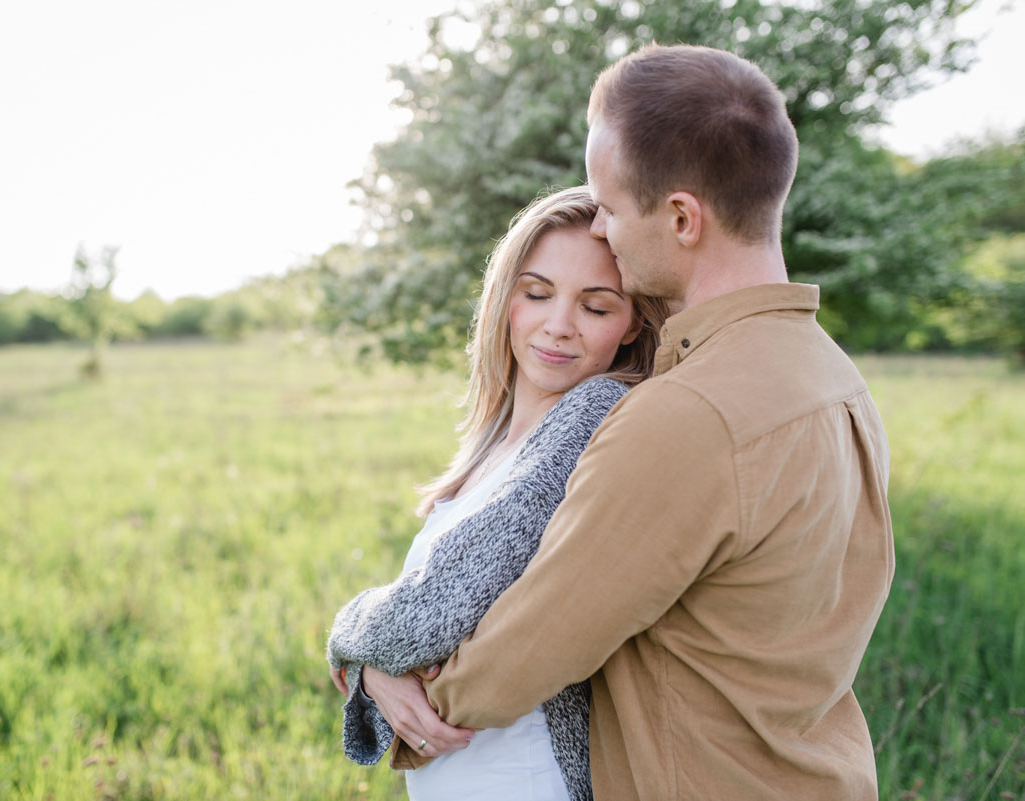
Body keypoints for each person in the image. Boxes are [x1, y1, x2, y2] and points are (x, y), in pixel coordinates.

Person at [382, 44, 894, 801]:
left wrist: (388, 692)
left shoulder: (686, 416)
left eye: (613, 208)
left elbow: (526, 651)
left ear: (682, 217)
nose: (607, 235)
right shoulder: (837, 380)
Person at [326, 185, 669, 801]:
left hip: (529, 777)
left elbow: (435, 610)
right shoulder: (495, 443)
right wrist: (374, 672)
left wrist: (352, 636)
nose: (558, 326)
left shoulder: (593, 413)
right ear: (504, 296)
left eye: (595, 307)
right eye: (536, 294)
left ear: (632, 324)